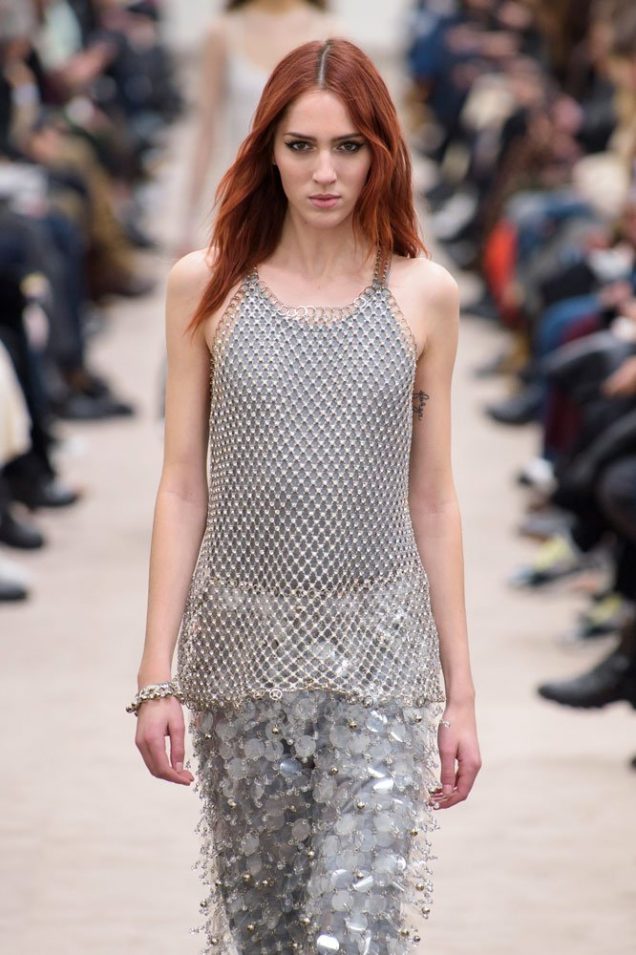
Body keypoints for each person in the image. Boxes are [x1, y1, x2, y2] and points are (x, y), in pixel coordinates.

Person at [129, 37, 481, 953]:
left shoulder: (424, 295)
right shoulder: (205, 288)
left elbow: (434, 499)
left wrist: (462, 696)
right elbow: (180, 486)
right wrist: (154, 673)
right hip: (240, 658)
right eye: (300, 146)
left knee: (351, 930)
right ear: (266, 151)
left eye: (349, 146)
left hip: (384, 656)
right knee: (268, 931)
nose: (325, 172)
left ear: (381, 154)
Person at [177, 0, 340, 255]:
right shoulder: (222, 32)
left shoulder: (328, 30)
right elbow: (206, 131)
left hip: (309, 190)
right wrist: (188, 222)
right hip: (245, 191)